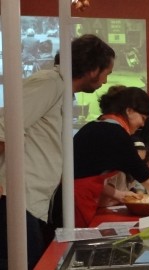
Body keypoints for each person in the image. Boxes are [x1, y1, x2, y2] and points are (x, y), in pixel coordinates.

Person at [0, 34, 115, 268]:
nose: (105, 80)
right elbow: (5, 127)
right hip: (18, 197)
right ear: (93, 69)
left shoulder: (61, 89)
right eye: (106, 73)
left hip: (33, 200)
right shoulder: (50, 82)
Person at [50, 87, 149, 228]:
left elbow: (89, 173)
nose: (143, 124)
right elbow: (145, 176)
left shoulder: (94, 126)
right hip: (75, 202)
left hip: (69, 198)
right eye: (143, 118)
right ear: (129, 111)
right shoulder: (116, 134)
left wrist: (118, 194)